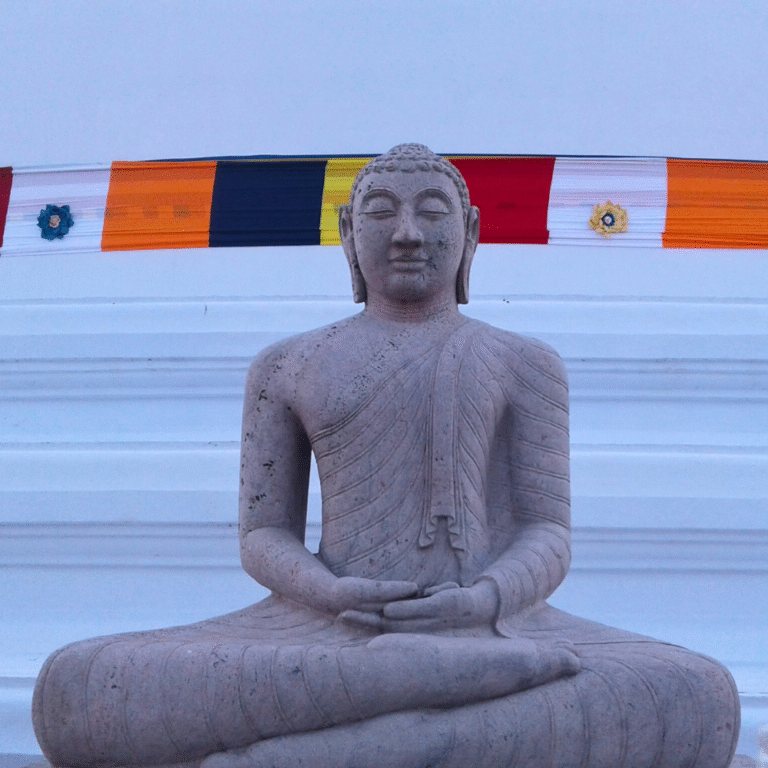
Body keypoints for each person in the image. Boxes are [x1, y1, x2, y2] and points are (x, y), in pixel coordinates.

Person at [33, 145, 739, 768]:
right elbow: (263, 535)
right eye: (380, 213)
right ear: (346, 232)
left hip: (494, 626)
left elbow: (548, 532)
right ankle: (437, 690)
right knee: (77, 686)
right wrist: (331, 594)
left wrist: (485, 599)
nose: (407, 234)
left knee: (695, 694)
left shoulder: (524, 362)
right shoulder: (288, 364)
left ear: (471, 234)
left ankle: (324, 744)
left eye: (433, 212)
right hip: (324, 628)